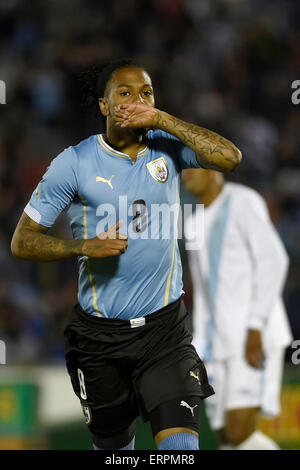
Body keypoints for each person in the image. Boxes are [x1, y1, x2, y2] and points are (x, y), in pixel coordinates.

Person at [11, 59, 241, 451]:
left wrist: (164, 119)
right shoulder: (75, 163)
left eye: (147, 92)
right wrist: (83, 246)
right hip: (99, 340)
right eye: (125, 93)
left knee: (180, 451)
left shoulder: (166, 146)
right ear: (104, 106)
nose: (138, 100)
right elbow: (23, 241)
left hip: (165, 331)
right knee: (116, 452)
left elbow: (229, 157)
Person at [182, 169, 293, 450]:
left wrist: (255, 325)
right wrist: (200, 345)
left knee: (238, 432)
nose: (184, 175)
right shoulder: (192, 222)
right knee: (225, 438)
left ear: (214, 169)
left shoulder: (242, 201)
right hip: (217, 344)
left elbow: (273, 260)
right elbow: (203, 292)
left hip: (252, 338)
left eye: (192, 167)